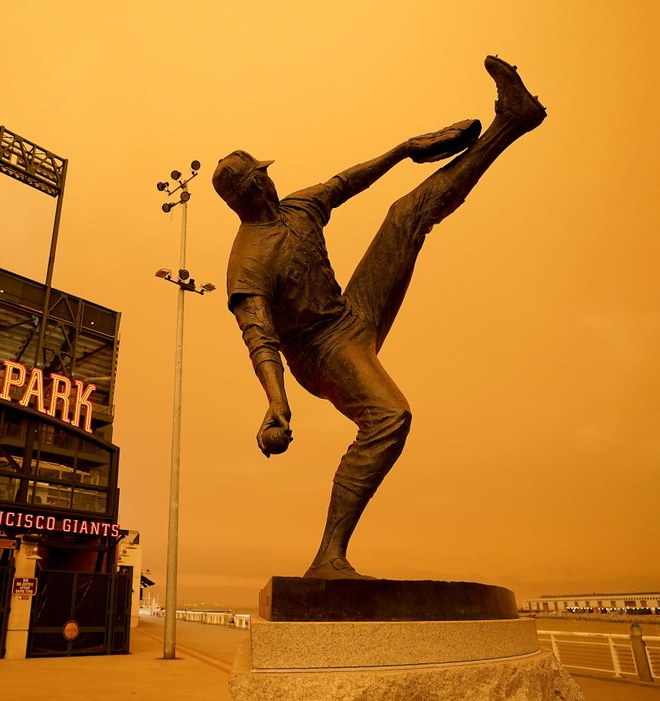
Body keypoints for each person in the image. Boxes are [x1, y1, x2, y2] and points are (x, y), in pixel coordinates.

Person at [213, 56, 545, 579]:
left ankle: (513, 121)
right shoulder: (247, 262)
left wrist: (405, 150)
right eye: (263, 176)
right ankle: (329, 556)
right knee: (390, 416)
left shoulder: (297, 207)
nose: (272, 182)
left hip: (351, 311)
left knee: (406, 214)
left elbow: (346, 183)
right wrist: (276, 404)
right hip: (320, 353)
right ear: (251, 188)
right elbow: (260, 340)